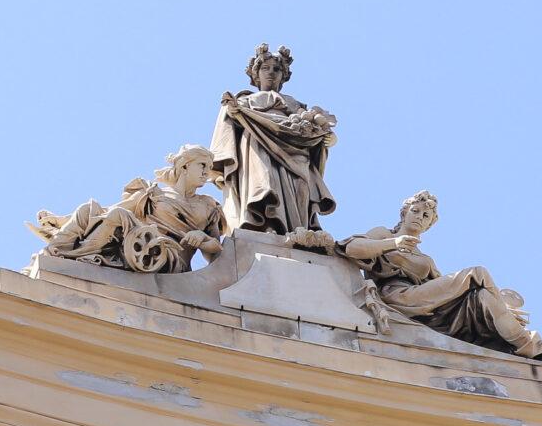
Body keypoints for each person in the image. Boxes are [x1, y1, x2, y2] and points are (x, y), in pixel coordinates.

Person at [332, 192, 542, 362]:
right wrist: (393, 243)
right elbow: (351, 247)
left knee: (482, 296)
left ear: (428, 225)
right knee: (477, 273)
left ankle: (527, 346)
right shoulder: (384, 233)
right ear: (404, 213)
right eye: (415, 211)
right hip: (397, 295)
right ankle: (529, 341)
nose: (419, 216)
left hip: (423, 304)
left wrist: (495, 303)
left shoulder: (426, 260)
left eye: (426, 215)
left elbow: (447, 290)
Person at [30, 144, 225, 272]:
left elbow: (216, 252)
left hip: (167, 257)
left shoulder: (209, 205)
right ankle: (54, 253)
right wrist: (61, 220)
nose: (206, 172)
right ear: (184, 166)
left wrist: (202, 238)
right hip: (142, 242)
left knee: (118, 215)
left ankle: (75, 256)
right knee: (88, 209)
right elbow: (110, 210)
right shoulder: (155, 193)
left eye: (209, 167)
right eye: (202, 165)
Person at [209, 45, 337, 240]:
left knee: (301, 187)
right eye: (265, 68)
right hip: (258, 141)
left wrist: (326, 139)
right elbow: (229, 125)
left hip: (295, 148)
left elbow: (314, 129)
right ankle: (267, 225)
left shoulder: (296, 104)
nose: (271, 72)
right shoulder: (245, 100)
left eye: (277, 69)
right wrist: (234, 111)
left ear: (283, 75)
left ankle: (299, 230)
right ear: (256, 74)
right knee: (265, 183)